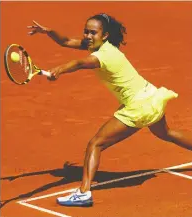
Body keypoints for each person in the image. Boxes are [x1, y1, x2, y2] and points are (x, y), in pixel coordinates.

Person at [27, 13, 192, 207]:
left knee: (95, 144)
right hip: (151, 96)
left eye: (93, 32)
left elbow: (79, 63)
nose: (88, 36)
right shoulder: (102, 46)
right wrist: (48, 32)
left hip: (138, 106)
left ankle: (84, 193)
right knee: (166, 133)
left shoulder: (100, 57)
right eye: (86, 31)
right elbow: (65, 41)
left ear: (104, 35)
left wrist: (59, 70)